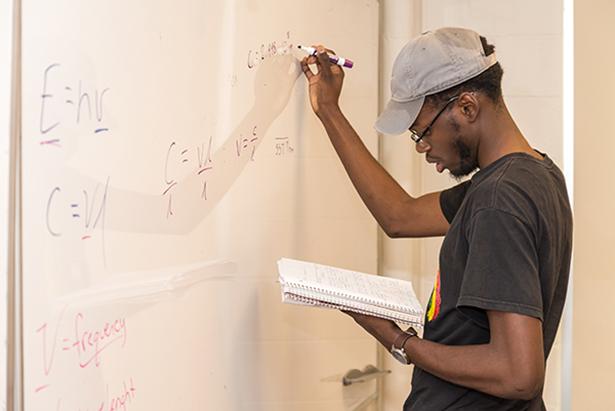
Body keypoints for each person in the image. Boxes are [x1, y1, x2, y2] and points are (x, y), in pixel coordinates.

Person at [300, 27, 572, 410]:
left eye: (422, 133)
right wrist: (329, 111)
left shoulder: (499, 199)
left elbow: (517, 374)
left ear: (467, 107)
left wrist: (401, 341)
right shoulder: (532, 174)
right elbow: (400, 216)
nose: (423, 149)